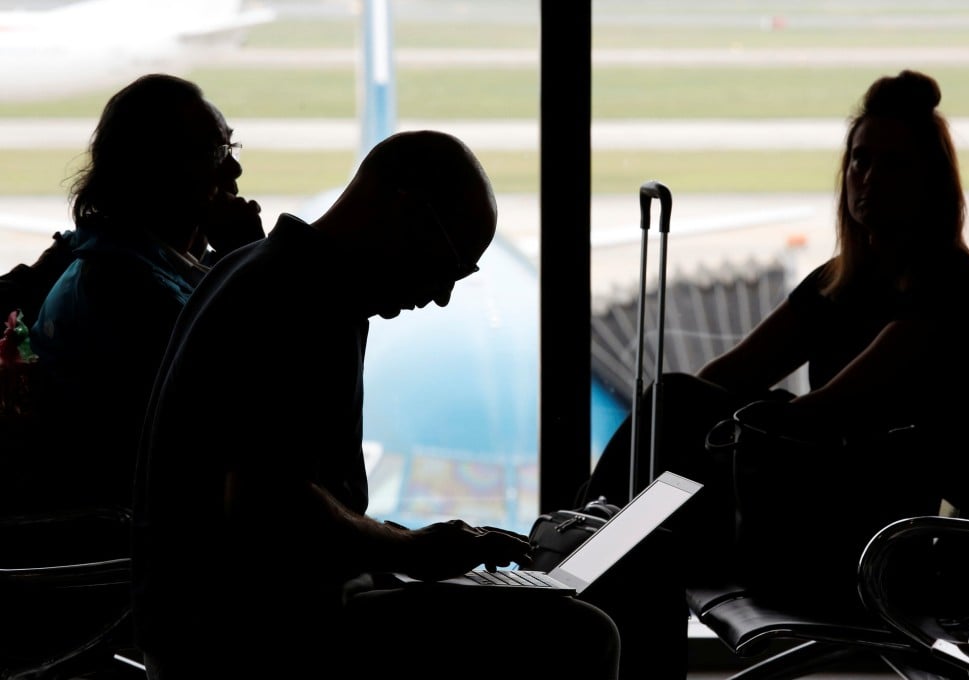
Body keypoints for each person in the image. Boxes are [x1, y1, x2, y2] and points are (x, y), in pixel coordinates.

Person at [132, 129, 621, 680]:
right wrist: (409, 549)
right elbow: (269, 508)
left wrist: (409, 549)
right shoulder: (301, 304)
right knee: (579, 634)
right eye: (449, 264)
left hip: (206, 622)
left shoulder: (253, 269)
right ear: (405, 211)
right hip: (248, 637)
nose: (439, 294)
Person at [574, 69, 969, 677]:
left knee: (647, 529)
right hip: (815, 505)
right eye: (860, 161)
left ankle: (578, 550)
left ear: (931, 184)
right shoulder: (843, 281)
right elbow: (726, 377)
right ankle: (591, 548)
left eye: (895, 165)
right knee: (669, 446)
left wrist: (724, 420)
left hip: (872, 539)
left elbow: (827, 410)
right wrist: (709, 416)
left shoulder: (950, 292)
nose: (869, 178)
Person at [24, 73, 264, 512]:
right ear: (150, 168)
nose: (233, 169)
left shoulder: (151, 264)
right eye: (213, 152)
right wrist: (250, 260)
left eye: (230, 147)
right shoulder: (120, 289)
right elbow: (253, 400)